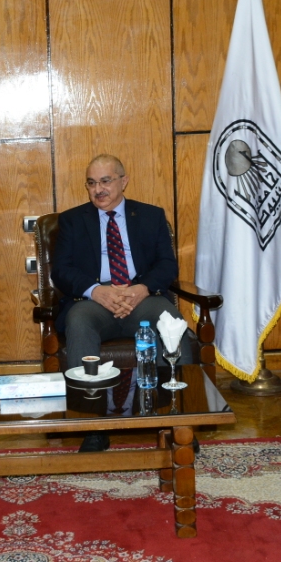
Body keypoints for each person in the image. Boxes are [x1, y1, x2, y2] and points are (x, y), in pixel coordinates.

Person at [52, 154, 180, 452]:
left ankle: (176, 418)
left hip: (141, 298)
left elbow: (167, 265)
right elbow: (62, 270)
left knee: (169, 321)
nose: (98, 189)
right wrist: (96, 290)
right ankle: (92, 424)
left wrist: (141, 289)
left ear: (124, 181)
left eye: (105, 181)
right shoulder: (72, 220)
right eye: (92, 183)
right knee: (78, 320)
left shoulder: (151, 216)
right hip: (94, 301)